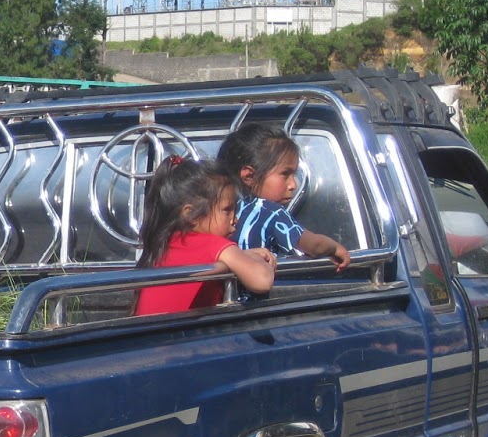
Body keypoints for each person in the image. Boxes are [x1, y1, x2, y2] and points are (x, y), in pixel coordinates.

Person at [134, 155, 275, 315]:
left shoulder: (169, 243)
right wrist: (257, 259)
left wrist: (242, 256)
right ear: (191, 214)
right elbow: (262, 280)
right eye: (227, 210)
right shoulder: (211, 243)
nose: (235, 219)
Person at [216, 122, 351, 271]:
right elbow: (314, 246)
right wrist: (333, 247)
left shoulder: (220, 213)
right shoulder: (272, 213)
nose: (294, 184)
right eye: (285, 174)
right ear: (249, 176)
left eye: (294, 175)